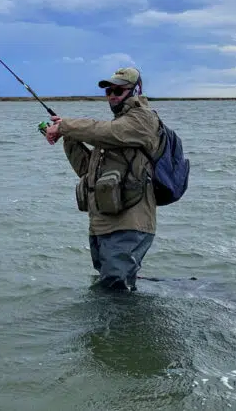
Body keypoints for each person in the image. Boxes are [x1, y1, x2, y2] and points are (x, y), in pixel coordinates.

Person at [43, 66, 161, 292]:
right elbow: (87, 171)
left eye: (119, 90)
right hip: (102, 224)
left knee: (114, 293)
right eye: (109, 91)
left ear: (136, 91)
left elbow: (106, 131)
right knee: (113, 290)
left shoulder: (142, 120)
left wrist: (66, 125)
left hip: (130, 223)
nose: (113, 95)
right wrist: (68, 137)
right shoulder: (114, 131)